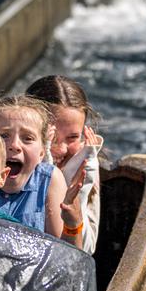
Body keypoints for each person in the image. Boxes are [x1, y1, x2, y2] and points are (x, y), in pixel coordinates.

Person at [0, 95, 85, 247]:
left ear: (42, 152)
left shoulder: (50, 180)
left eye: (28, 138)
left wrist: (73, 225)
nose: (14, 145)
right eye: (3, 136)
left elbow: (66, 255)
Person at [26, 75, 103, 254]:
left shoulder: (86, 164)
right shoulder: (8, 160)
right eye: (51, 138)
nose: (61, 149)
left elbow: (86, 248)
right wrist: (45, 161)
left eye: (73, 137)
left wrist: (81, 188)